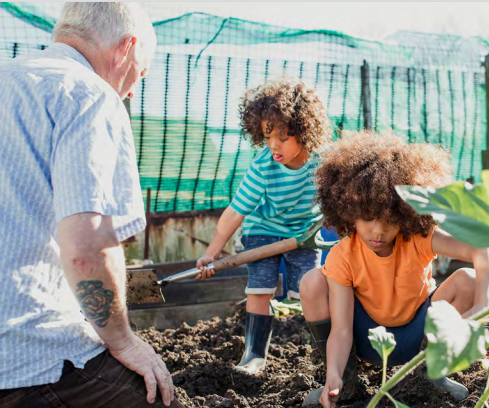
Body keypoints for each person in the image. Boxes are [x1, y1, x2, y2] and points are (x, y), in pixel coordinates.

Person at [0, 3, 175, 408]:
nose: (132, 90)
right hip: (25, 357)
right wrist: (124, 342)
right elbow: (86, 249)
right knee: (155, 396)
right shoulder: (87, 94)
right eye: (141, 73)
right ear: (125, 49)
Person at [299, 131, 489, 408]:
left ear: (406, 213)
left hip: (420, 334)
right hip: (366, 339)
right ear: (347, 212)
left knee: (468, 281)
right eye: (367, 218)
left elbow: (480, 248)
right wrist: (333, 375)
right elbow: (341, 330)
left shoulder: (418, 238)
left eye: (390, 219)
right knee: (312, 281)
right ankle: (346, 384)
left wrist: (481, 306)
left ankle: (431, 376)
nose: (378, 230)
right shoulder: (343, 254)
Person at [195, 78, 332, 375]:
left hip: (303, 232)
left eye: (282, 138)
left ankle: (325, 355)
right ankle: (254, 355)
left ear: (304, 132)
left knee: (310, 291)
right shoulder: (263, 166)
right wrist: (212, 253)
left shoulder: (322, 163)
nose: (273, 145)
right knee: (259, 290)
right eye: (267, 136)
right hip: (263, 229)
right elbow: (235, 212)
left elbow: (337, 198)